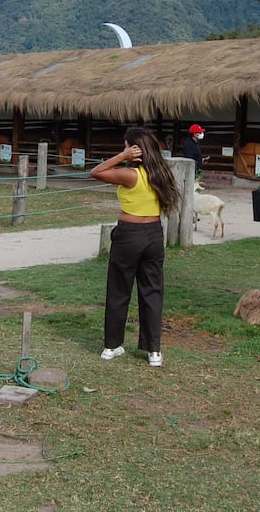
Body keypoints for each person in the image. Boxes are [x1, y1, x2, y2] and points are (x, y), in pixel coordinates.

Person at [90, 127, 180, 367]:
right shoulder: (160, 173)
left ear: (134, 149)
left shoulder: (130, 175)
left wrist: (122, 157)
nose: (123, 149)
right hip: (153, 235)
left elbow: (96, 172)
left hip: (129, 235)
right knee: (152, 292)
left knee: (119, 289)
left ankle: (111, 346)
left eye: (126, 145)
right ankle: (154, 352)